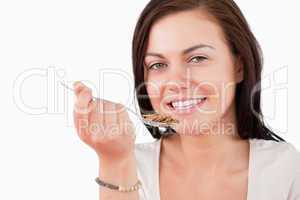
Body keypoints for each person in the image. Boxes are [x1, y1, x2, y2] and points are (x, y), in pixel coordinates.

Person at [73, 0, 300, 199]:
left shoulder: (284, 170)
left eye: (197, 58)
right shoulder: (128, 166)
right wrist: (115, 162)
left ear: (238, 66)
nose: (176, 81)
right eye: (158, 65)